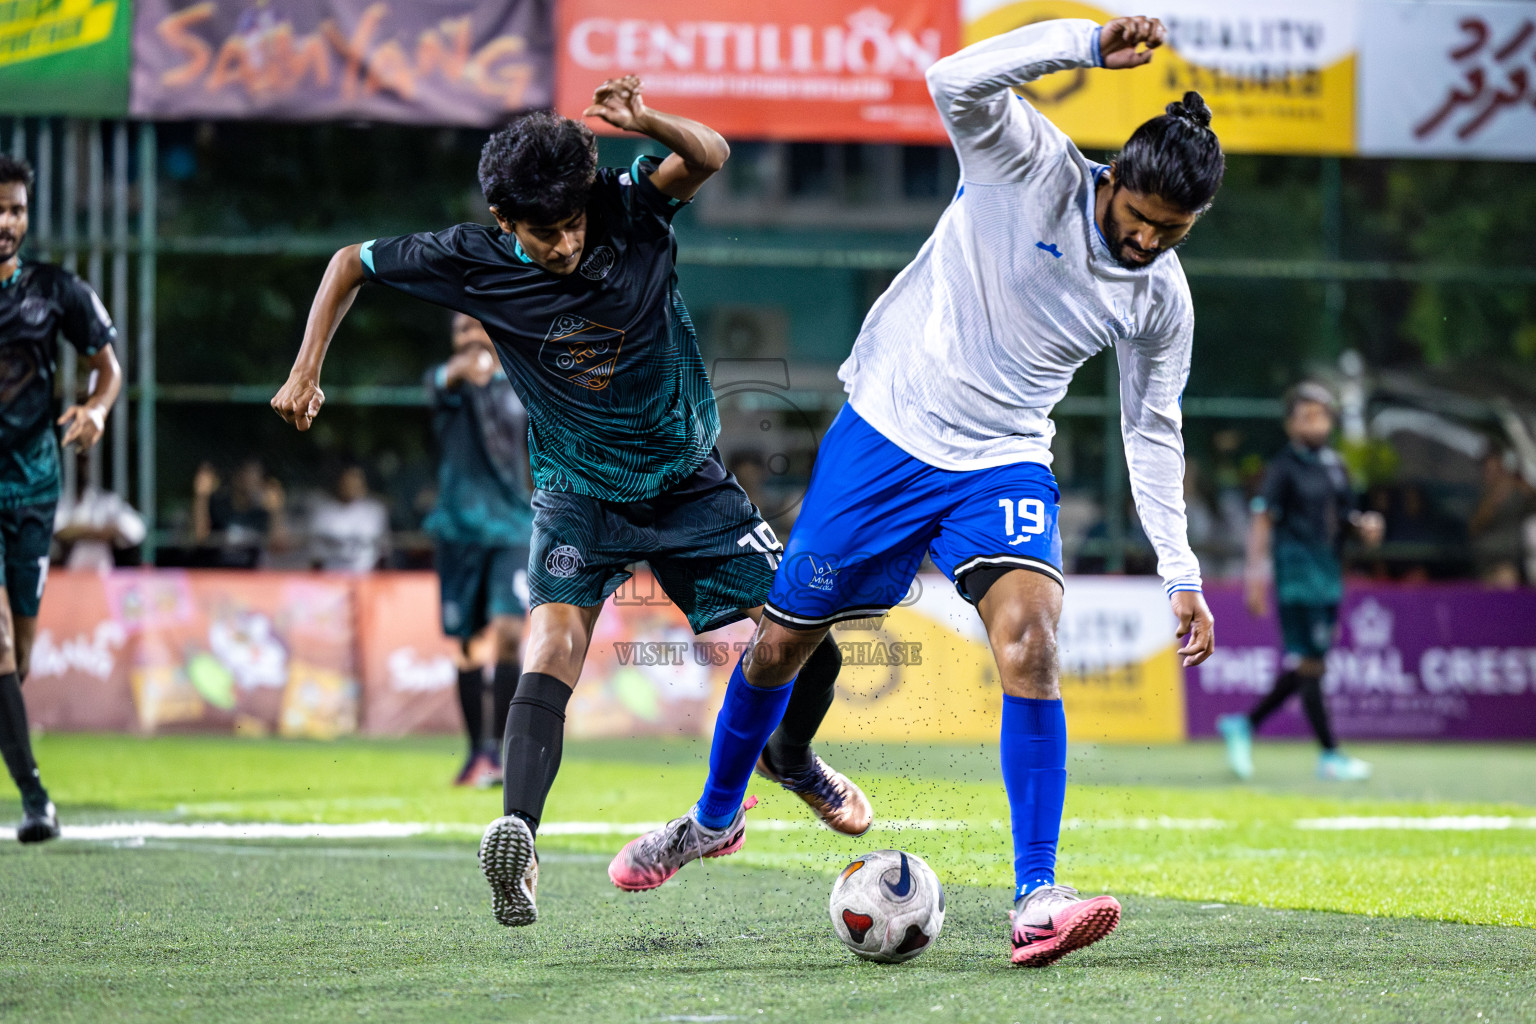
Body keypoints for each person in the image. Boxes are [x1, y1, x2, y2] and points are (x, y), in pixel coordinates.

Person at [612, 17, 1219, 969]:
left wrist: (1179, 570)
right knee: (777, 648)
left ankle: (1036, 895)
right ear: (1109, 178)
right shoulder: (1028, 164)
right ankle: (713, 818)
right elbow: (952, 77)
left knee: (1033, 644)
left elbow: (1152, 429)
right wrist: (1088, 46)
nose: (1145, 239)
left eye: (1170, 230)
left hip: (1005, 462)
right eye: (1135, 215)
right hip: (888, 431)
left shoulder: (1161, 297)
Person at [270, 78, 863, 929]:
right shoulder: (468, 258)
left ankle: (792, 759)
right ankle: (520, 834)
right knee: (552, 641)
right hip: (576, 490)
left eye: (575, 220)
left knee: (809, 643)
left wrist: (648, 120)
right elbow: (348, 264)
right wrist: (305, 369)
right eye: (547, 232)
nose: (569, 240)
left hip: (689, 480)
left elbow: (711, 155)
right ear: (504, 223)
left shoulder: (628, 208)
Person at [0, 153, 122, 843]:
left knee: (19, 648)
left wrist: (98, 408)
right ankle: (36, 798)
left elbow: (108, 366)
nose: (5, 221)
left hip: (36, 484)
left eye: (14, 208)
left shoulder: (57, 290)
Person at [1219, 382, 1384, 783]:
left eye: (1321, 414)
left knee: (1311, 664)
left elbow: (1347, 516)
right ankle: (1329, 754)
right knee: (1310, 663)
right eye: (1306, 415)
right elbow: (1262, 520)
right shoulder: (1283, 468)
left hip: (1328, 575)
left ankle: (1244, 723)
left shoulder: (1335, 465)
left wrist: (1365, 526)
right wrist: (1255, 577)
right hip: (1296, 576)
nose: (1315, 422)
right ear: (1290, 423)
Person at [427, 313, 533, 787]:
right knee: (468, 645)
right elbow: (440, 379)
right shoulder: (444, 382)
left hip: (513, 527)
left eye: (476, 328)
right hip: (458, 529)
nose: (469, 338)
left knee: (510, 633)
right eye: (460, 332)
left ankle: (506, 754)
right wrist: (460, 371)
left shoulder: (520, 383)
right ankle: (478, 754)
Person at [191, 458, 289, 567]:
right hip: (217, 571)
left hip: (249, 575)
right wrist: (201, 496)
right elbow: (200, 537)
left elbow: (279, 545)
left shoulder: (261, 513)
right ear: (237, 477)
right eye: (246, 474)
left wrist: (277, 509)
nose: (250, 481)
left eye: (255, 476)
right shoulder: (219, 506)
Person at [306, 462, 390, 571]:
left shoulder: (375, 511)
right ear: (340, 482)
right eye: (348, 481)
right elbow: (316, 556)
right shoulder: (323, 512)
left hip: (367, 577)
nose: (352, 485)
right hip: (332, 576)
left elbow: (384, 552)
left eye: (357, 480)